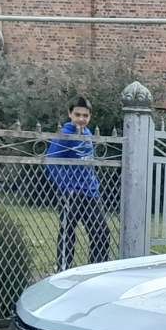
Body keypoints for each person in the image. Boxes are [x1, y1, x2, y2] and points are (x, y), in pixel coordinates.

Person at [46, 97, 110, 271]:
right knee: (68, 232)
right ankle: (63, 270)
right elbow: (51, 162)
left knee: (101, 233)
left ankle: (96, 271)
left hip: (91, 192)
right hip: (72, 193)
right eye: (77, 114)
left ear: (90, 116)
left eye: (85, 115)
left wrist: (94, 183)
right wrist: (66, 187)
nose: (81, 118)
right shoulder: (65, 134)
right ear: (70, 114)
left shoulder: (88, 134)